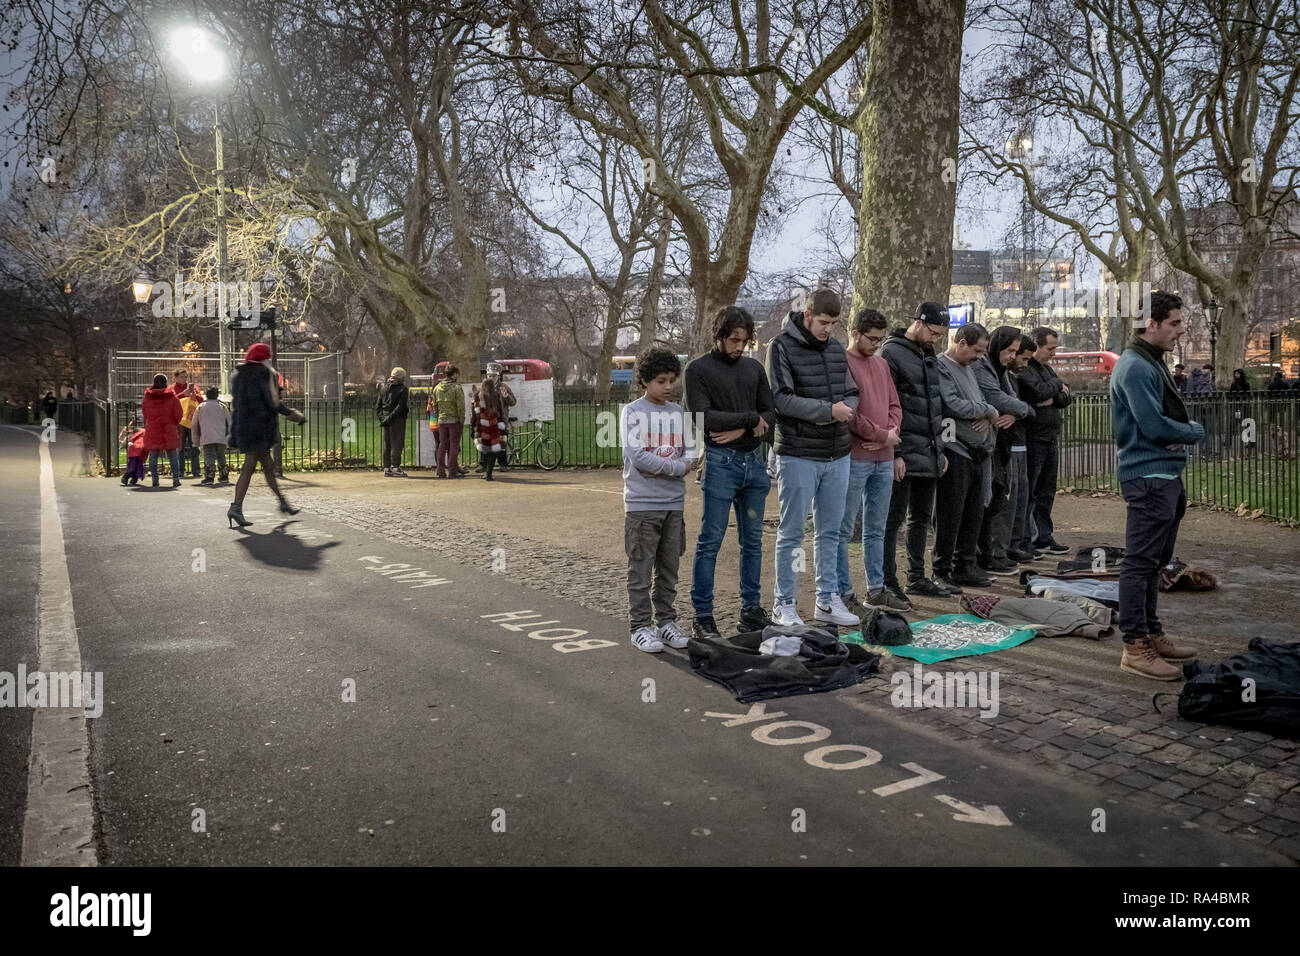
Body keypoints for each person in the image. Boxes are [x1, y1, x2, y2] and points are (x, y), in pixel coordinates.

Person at [1109, 291, 1203, 680]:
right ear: (1152, 324)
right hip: (1148, 476)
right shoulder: (1135, 366)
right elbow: (1153, 426)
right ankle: (1135, 647)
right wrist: (1193, 431)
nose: (1180, 331)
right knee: (1140, 563)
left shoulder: (1149, 362)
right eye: (1175, 323)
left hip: (1162, 474)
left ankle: (1150, 632)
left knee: (1154, 563)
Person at [766, 287, 860, 628]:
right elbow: (782, 399)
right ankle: (784, 603)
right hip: (798, 452)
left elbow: (852, 391)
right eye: (823, 322)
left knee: (831, 532)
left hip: (838, 452)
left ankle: (827, 599)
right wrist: (828, 411)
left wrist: (848, 408)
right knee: (792, 532)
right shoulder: (780, 347)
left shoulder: (836, 349)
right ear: (807, 314)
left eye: (833, 323)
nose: (828, 329)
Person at [684, 305, 776, 638]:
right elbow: (701, 418)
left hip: (753, 462)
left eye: (744, 340)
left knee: (752, 542)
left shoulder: (753, 368)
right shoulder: (698, 370)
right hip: (721, 464)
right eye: (734, 339)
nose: (740, 346)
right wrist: (751, 420)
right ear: (720, 336)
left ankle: (751, 610)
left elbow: (771, 413)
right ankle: (703, 616)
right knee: (710, 540)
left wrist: (744, 428)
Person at [621, 347, 699, 652]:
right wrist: (676, 467)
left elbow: (690, 450)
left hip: (673, 504)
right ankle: (640, 625)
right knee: (640, 569)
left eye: (672, 380)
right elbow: (639, 456)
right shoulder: (633, 412)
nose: (668, 386)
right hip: (642, 506)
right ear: (645, 381)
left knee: (669, 569)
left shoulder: (678, 413)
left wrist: (679, 465)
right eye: (661, 381)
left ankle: (666, 621)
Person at [835, 308, 905, 616]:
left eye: (880, 339)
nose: (876, 344)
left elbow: (895, 404)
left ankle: (876, 589)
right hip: (856, 455)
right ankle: (842, 591)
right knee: (844, 527)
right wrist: (881, 434)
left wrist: (889, 434)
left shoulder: (882, 363)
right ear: (855, 332)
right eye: (872, 338)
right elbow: (850, 412)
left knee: (876, 527)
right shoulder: (842, 362)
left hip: (884, 456)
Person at [880, 302, 951, 605]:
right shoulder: (891, 353)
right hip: (904, 451)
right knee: (893, 519)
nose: (936, 338)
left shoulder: (928, 354)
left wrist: (941, 449)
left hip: (929, 451)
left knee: (921, 518)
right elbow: (888, 406)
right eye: (933, 332)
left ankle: (916, 576)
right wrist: (894, 453)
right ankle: (887, 580)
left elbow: (936, 406)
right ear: (919, 323)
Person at [934, 323, 999, 592]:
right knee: (951, 512)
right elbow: (952, 404)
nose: (980, 357)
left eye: (983, 352)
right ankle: (942, 567)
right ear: (960, 343)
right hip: (955, 448)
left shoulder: (969, 369)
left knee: (974, 510)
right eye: (977, 350)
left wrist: (985, 413)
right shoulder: (941, 366)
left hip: (977, 451)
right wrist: (986, 410)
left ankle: (966, 564)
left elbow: (975, 402)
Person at [974, 325, 1033, 576]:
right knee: (987, 500)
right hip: (987, 444)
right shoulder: (984, 368)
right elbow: (997, 399)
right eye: (1010, 350)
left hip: (1001, 444)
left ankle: (991, 552)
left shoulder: (1005, 373)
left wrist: (1016, 411)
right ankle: (985, 554)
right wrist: (1021, 409)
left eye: (1015, 351)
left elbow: (1017, 405)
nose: (1012, 356)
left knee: (998, 497)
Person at [227, 342, 306, 528]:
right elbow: (272, 402)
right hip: (259, 428)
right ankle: (236, 507)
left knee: (268, 465)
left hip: (244, 427)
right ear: (265, 357)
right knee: (250, 466)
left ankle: (282, 502)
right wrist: (292, 414)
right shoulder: (264, 373)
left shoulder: (238, 374)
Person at [1018, 327, 1073, 554]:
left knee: (1046, 491)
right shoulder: (1024, 368)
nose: (1053, 353)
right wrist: (1057, 388)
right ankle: (1026, 537)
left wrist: (1055, 392)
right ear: (1036, 345)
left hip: (1050, 437)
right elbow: (1036, 392)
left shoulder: (1047, 369)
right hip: (1034, 438)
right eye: (1050, 348)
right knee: (1030, 490)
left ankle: (1043, 534)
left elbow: (1065, 396)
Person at [1008, 334, 1040, 561]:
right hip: (1010, 444)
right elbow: (1036, 399)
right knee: (1012, 499)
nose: (1025, 364)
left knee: (1023, 497)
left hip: (1020, 442)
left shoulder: (1014, 376)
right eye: (1023, 358)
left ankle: (1016, 543)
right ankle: (1007, 546)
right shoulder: (1011, 376)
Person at [141, 374, 183, 488]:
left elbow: (145, 414)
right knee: (173, 454)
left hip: (153, 428)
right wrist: (174, 423)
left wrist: (148, 424)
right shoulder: (172, 397)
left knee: (153, 454)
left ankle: (155, 479)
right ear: (166, 382)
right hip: (168, 428)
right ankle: (176, 478)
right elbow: (179, 414)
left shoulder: (148, 398)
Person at [472, 376, 510, 480]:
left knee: (485, 449)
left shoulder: (478, 397)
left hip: (482, 427)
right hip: (494, 426)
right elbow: (501, 412)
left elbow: (475, 414)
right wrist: (502, 424)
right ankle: (489, 473)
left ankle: (486, 471)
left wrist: (473, 428)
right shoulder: (496, 396)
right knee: (494, 450)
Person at [191, 386, 231, 485]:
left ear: (206, 395)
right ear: (217, 395)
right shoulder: (222, 406)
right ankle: (224, 476)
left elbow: (194, 424)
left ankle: (209, 477)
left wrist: (195, 440)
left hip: (207, 437)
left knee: (209, 456)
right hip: (221, 437)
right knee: (221, 456)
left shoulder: (200, 407)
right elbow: (229, 422)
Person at [432, 366, 466, 478]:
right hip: (454, 420)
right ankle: (452, 470)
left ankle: (440, 470)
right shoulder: (456, 388)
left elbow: (435, 405)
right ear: (455, 374)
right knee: (454, 445)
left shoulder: (437, 388)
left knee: (442, 444)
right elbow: (460, 405)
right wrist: (461, 419)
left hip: (442, 420)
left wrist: (438, 418)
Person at [376, 367, 410, 477]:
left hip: (386, 420)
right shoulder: (403, 389)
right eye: (403, 377)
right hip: (397, 420)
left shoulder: (384, 388)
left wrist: (382, 418)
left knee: (387, 444)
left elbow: (378, 406)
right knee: (397, 443)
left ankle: (387, 468)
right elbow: (400, 407)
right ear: (400, 378)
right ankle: (395, 467)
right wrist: (391, 417)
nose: (404, 379)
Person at [171, 371, 201, 478]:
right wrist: (182, 394)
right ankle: (180, 470)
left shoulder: (192, 387)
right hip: (179, 422)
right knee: (180, 447)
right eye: (181, 377)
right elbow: (171, 400)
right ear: (175, 377)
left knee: (195, 446)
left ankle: (196, 470)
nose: (184, 379)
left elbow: (201, 400)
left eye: (185, 377)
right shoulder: (172, 389)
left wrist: (195, 395)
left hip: (191, 420)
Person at [486, 364, 516, 471]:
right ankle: (484, 465)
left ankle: (503, 464)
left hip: (501, 420)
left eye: (493, 376)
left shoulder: (504, 387)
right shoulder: (484, 388)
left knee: (502, 444)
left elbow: (513, 402)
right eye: (489, 376)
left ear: (498, 376)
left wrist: (506, 396)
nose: (491, 378)